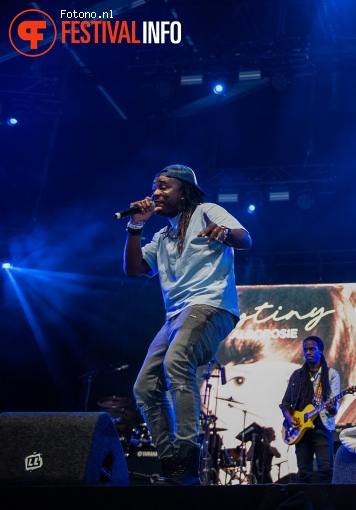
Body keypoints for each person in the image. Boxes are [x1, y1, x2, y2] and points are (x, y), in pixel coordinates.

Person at [123, 164, 252, 485]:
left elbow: (245, 238)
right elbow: (134, 268)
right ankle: (171, 464)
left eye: (164, 186)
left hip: (211, 305)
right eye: (154, 187)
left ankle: (187, 457)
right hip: (175, 316)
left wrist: (223, 233)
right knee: (144, 388)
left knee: (177, 362)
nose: (156, 193)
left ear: (184, 191)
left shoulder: (207, 211)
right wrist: (135, 226)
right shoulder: (163, 234)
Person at [279, 336, 341, 483]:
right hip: (300, 430)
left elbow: (334, 409)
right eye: (305, 350)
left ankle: (326, 505)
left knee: (326, 471)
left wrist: (332, 407)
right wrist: (289, 418)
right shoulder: (297, 375)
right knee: (304, 474)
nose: (308, 352)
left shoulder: (331, 374)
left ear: (321, 350)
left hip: (322, 428)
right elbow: (286, 402)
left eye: (312, 349)